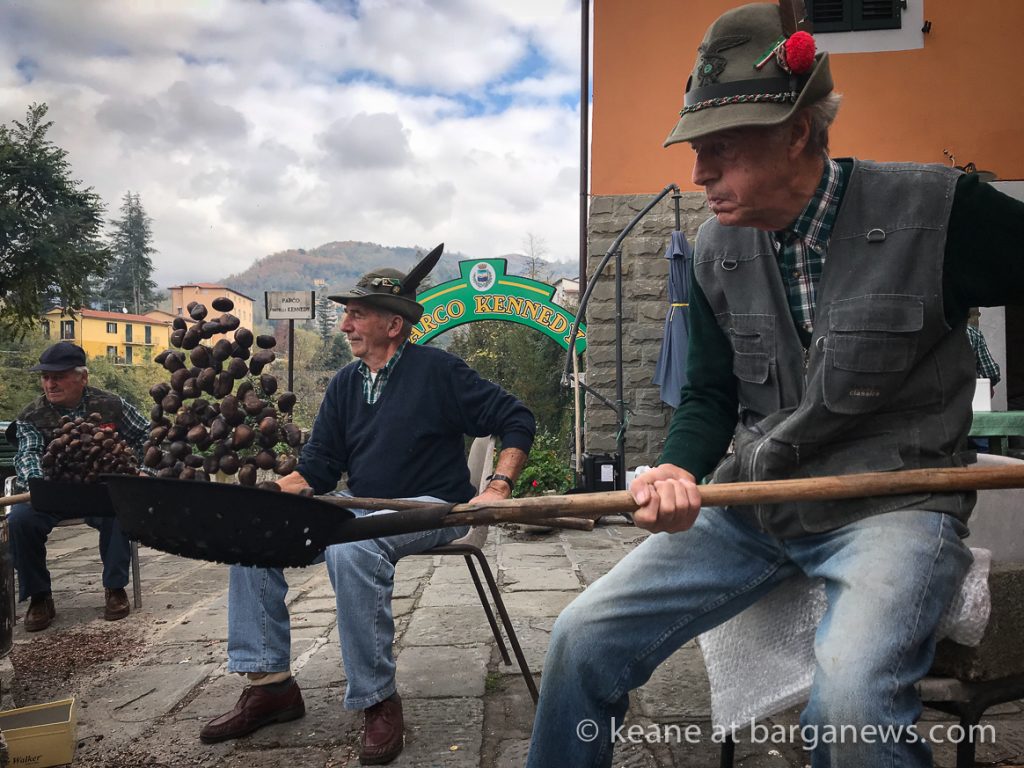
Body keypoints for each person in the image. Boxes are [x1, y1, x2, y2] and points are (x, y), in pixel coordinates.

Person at [526, 4, 1024, 767]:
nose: (698, 175)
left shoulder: (939, 211)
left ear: (796, 133)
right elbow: (708, 396)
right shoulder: (715, 247)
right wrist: (676, 468)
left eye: (720, 151)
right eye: (698, 151)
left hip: (893, 510)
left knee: (852, 707)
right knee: (580, 636)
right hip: (759, 505)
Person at [200, 246, 535, 766]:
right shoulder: (344, 385)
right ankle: (271, 687)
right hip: (360, 508)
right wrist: (268, 495)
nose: (346, 324)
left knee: (351, 549)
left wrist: (497, 486)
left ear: (393, 325)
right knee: (255, 534)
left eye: (356, 314)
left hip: (430, 508)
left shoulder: (439, 371)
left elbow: (516, 418)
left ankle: (377, 698)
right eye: (347, 314)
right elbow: (318, 467)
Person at [7, 341, 148, 631]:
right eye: (46, 377)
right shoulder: (31, 415)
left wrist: (143, 470)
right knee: (20, 520)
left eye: (58, 376)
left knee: (120, 511)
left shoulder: (111, 404)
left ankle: (115, 588)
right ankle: (39, 596)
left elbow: (150, 435)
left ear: (82, 378)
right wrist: (37, 483)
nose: (50, 383)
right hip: (52, 492)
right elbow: (28, 454)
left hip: (98, 491)